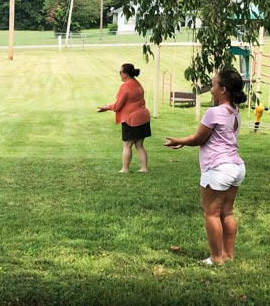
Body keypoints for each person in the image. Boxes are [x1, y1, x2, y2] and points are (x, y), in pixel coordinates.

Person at [164, 68, 247, 265]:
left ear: (223, 89)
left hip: (218, 168)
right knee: (227, 212)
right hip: (236, 167)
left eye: (213, 84)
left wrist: (179, 140)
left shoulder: (214, 112)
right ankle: (228, 254)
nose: (211, 88)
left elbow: (197, 139)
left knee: (212, 213)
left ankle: (216, 258)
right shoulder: (235, 112)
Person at [98, 63, 151, 173]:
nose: (120, 75)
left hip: (131, 119)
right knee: (139, 145)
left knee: (127, 145)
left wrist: (107, 107)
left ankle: (125, 169)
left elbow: (118, 106)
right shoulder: (137, 84)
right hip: (143, 116)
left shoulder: (125, 86)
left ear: (125, 74)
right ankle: (144, 168)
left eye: (120, 72)